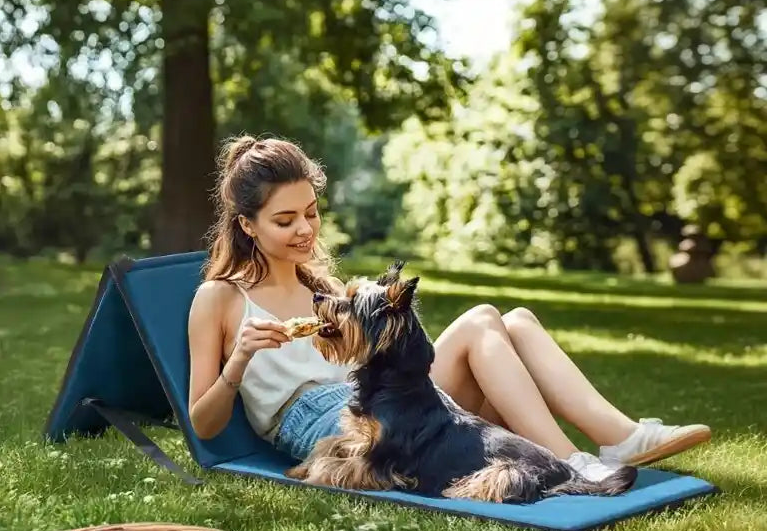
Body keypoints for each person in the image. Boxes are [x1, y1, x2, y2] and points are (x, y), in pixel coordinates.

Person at [188, 136, 712, 484]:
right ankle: (573, 464)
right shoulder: (221, 298)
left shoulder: (323, 284)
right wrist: (238, 362)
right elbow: (202, 425)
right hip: (343, 430)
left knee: (512, 320)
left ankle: (618, 437)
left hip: (394, 405)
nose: (305, 229)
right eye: (285, 221)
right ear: (247, 225)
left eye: (311, 212)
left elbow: (387, 360)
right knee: (485, 319)